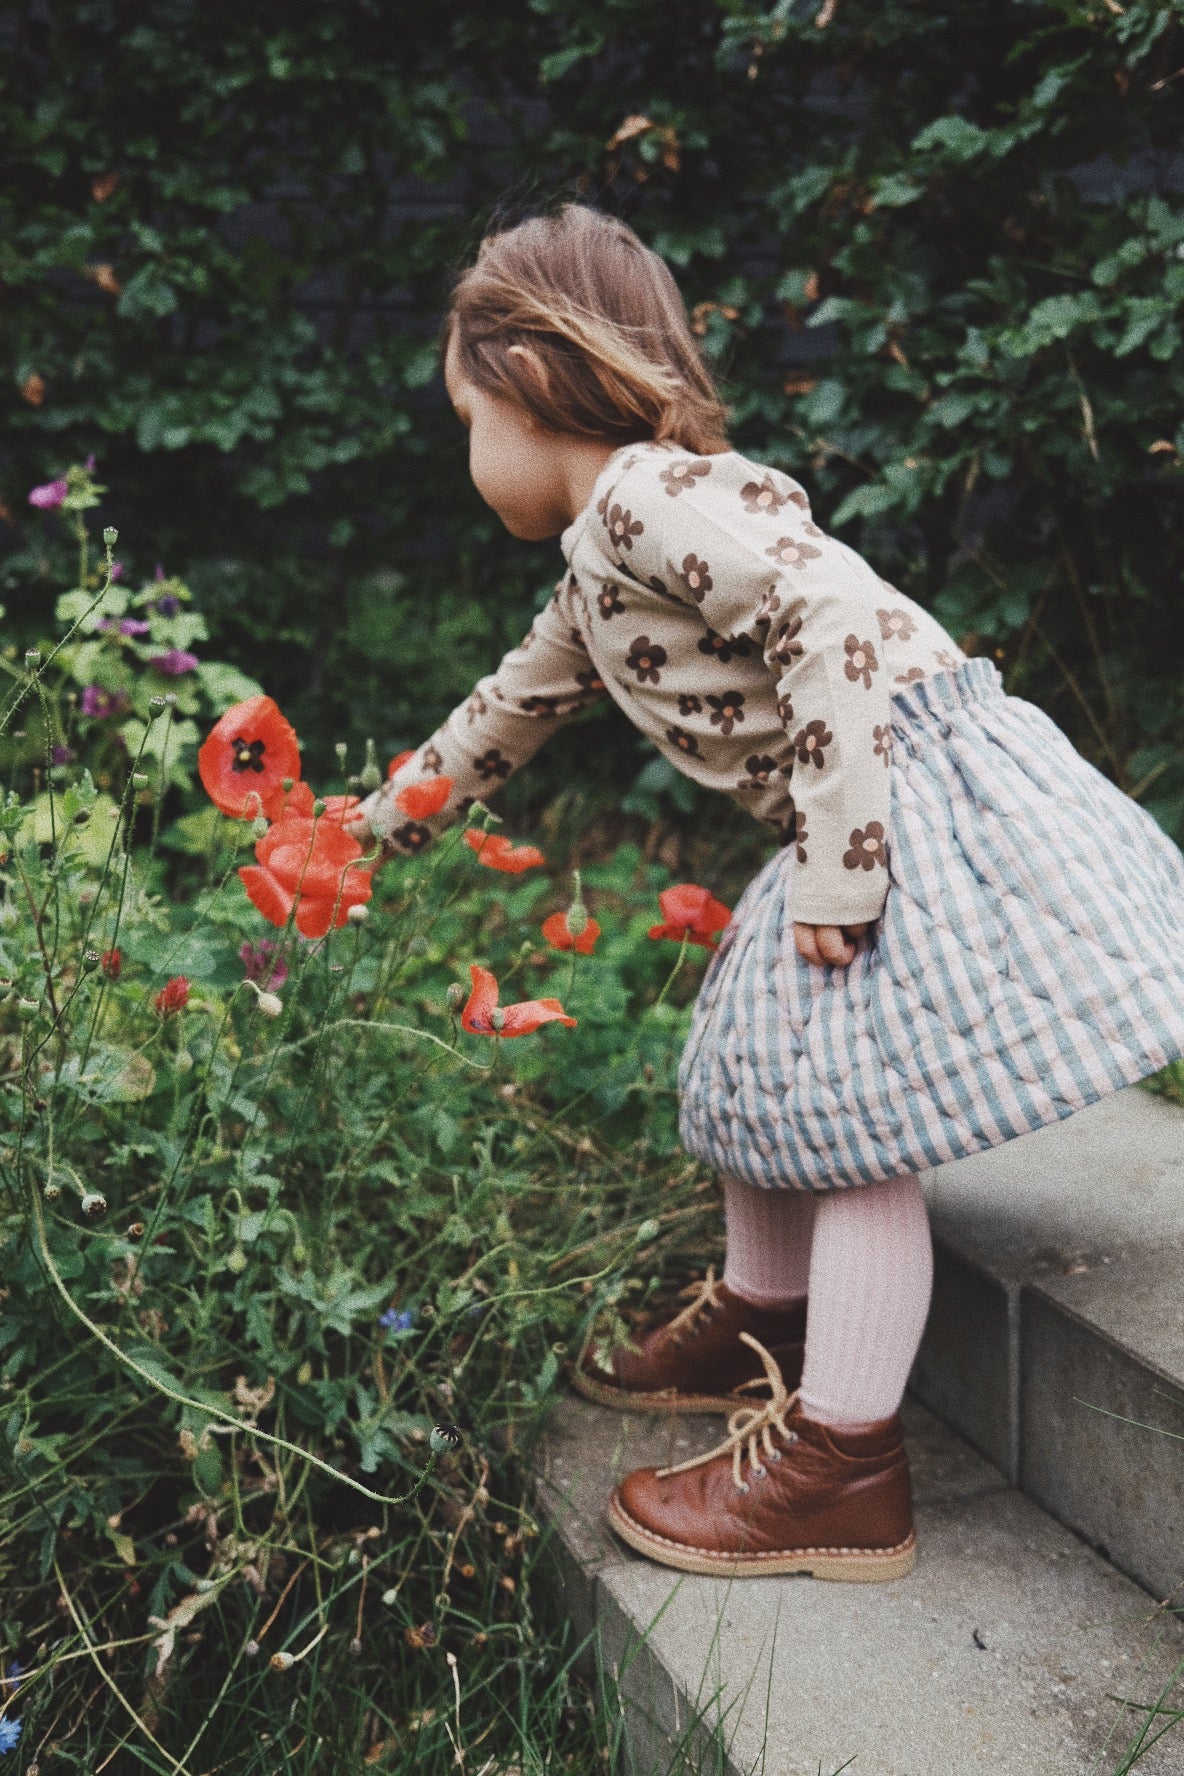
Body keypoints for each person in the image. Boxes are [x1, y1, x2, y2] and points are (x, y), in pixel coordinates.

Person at [349, 203, 1184, 1582]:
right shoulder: (598, 558)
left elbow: (835, 624)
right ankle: (770, 1312)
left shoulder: (645, 496)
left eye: (463, 420)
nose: (466, 455)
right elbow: (507, 712)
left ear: (528, 380)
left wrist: (846, 859)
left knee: (852, 1121)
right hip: (863, 796)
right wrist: (371, 832)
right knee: (758, 1065)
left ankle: (843, 1468)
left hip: (896, 795)